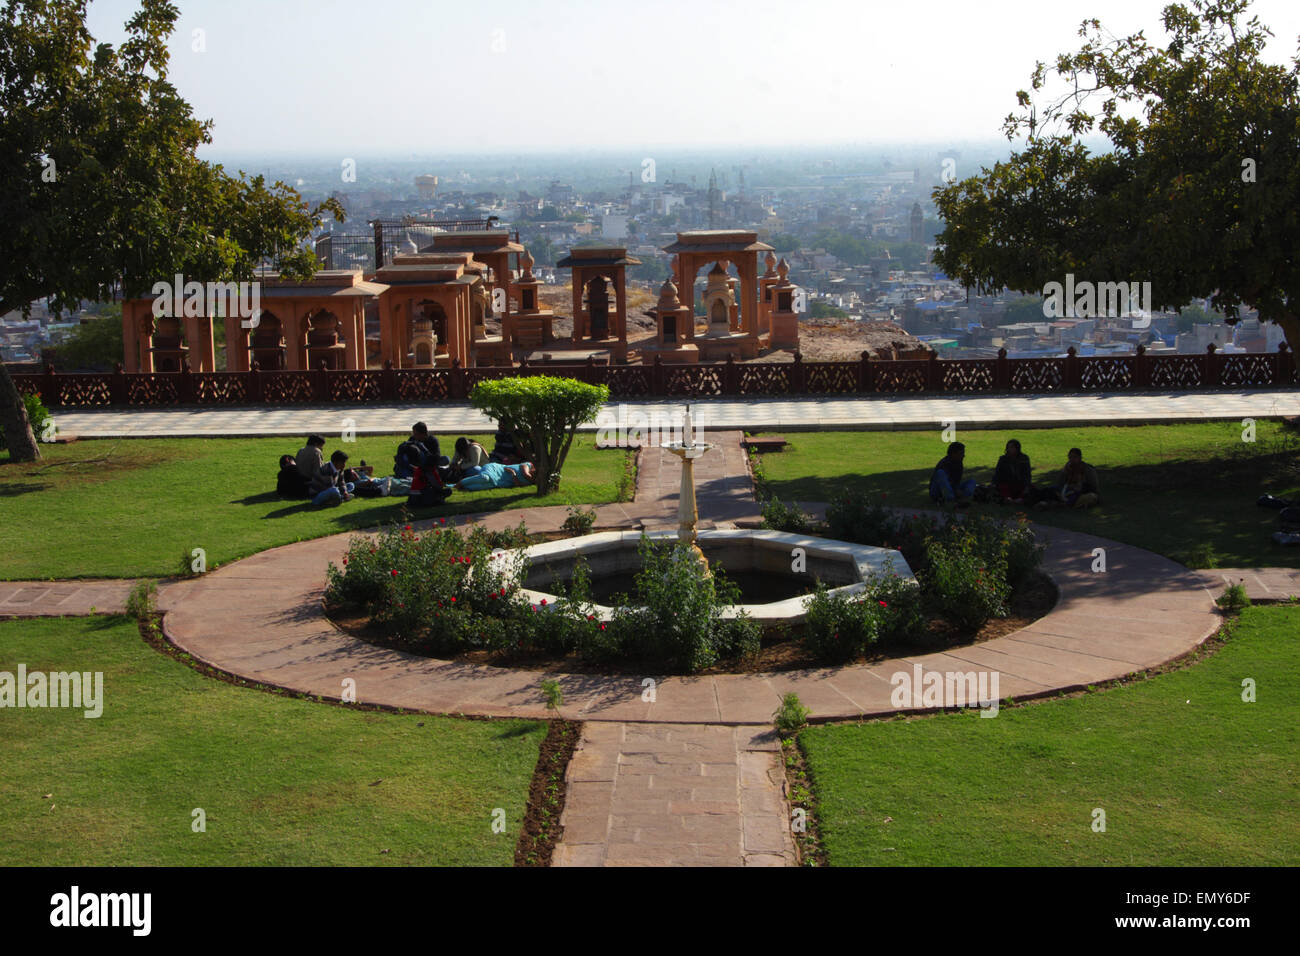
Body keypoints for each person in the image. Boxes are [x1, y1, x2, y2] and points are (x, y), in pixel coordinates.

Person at [993, 439, 1033, 503]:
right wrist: (994, 483)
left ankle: (1020, 499)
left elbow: (1027, 473)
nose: (1009, 449)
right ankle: (1008, 498)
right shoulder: (1003, 459)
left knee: (1029, 488)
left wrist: (1027, 485)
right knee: (1002, 487)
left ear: (1017, 448)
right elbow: (997, 473)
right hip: (1007, 482)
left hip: (1020, 482)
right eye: (1008, 447)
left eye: (1012, 447)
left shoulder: (1024, 458)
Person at [456, 460, 536, 491]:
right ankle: (460, 483)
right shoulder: (528, 465)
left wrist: (513, 474)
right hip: (496, 469)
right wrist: (533, 481)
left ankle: (464, 487)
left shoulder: (531, 481)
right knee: (485, 478)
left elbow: (518, 484)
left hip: (500, 481)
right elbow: (525, 474)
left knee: (483, 486)